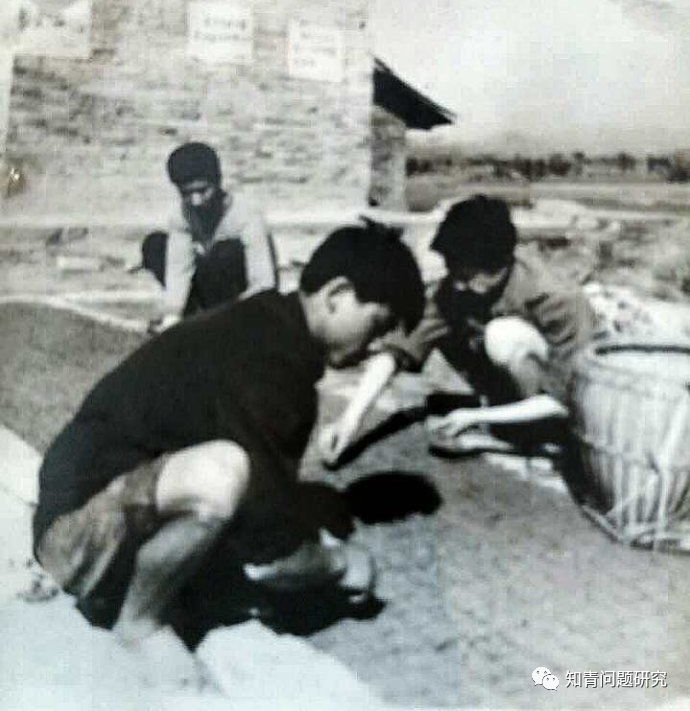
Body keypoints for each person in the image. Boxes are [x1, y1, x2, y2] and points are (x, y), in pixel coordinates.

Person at [33, 222, 425, 657]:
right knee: (223, 474)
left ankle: (165, 589)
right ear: (337, 294)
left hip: (101, 508)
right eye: (376, 325)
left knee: (259, 496)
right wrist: (341, 564)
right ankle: (139, 623)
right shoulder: (272, 364)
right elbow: (270, 556)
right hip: (72, 539)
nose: (374, 346)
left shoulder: (267, 326)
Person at [321, 195, 599, 464]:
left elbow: (568, 398)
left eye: (466, 276)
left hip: (574, 407)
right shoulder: (458, 287)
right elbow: (396, 351)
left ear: (500, 264)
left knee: (503, 335)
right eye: (453, 272)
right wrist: (349, 421)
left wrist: (474, 417)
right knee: (444, 317)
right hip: (521, 396)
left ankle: (536, 435)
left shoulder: (556, 297)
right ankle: (507, 420)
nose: (457, 284)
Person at [142, 142, 277, 330]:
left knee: (224, 251)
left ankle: (217, 320)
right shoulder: (183, 214)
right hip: (208, 289)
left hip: (241, 298)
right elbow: (178, 270)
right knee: (156, 245)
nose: (196, 201)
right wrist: (172, 315)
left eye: (203, 190)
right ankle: (194, 316)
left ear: (218, 181)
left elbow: (263, 282)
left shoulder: (246, 213)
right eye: (186, 193)